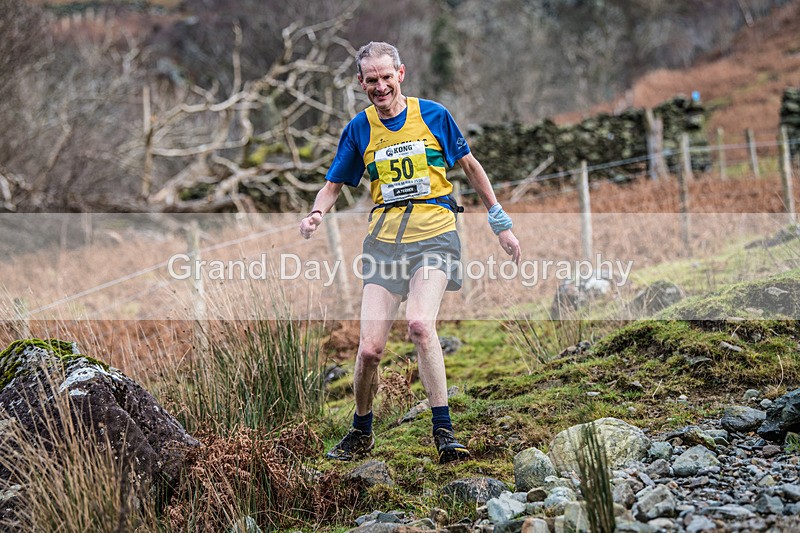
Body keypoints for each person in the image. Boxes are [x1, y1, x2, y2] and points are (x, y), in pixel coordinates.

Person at [299, 41, 521, 464]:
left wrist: (500, 222)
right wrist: (315, 214)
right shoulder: (359, 129)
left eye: (386, 77)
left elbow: (471, 167)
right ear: (360, 82)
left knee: (419, 323)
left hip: (435, 236)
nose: (380, 86)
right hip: (384, 244)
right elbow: (332, 185)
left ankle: (444, 432)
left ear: (401, 74)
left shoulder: (434, 115)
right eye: (371, 80)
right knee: (369, 350)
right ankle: (361, 431)